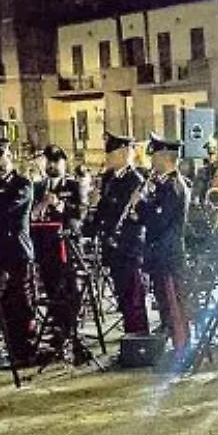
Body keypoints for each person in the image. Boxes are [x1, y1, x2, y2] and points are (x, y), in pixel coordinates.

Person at [0, 138, 38, 365]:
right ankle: (12, 347)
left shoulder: (22, 183)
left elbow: (5, 208)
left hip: (17, 250)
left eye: (2, 159)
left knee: (21, 302)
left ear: (10, 159)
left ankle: (25, 350)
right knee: (3, 302)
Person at [32, 144, 86, 353]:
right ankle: (56, 327)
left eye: (56, 161)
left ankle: (70, 330)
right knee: (51, 287)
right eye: (49, 161)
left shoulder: (72, 185)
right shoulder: (39, 187)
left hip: (67, 245)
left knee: (70, 289)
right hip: (46, 247)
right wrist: (43, 204)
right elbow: (33, 215)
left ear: (64, 163)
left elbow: (81, 212)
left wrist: (62, 207)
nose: (52, 165)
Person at [92, 133, 148, 333]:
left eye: (112, 153)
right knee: (121, 294)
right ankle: (129, 334)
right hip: (112, 244)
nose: (108, 157)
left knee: (133, 295)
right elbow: (103, 209)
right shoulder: (108, 178)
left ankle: (138, 337)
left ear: (125, 153)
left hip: (128, 245)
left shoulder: (135, 180)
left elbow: (130, 214)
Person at [143, 135, 191, 351]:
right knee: (164, 300)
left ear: (165, 157)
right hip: (160, 253)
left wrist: (140, 206)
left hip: (170, 254)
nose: (152, 160)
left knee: (175, 303)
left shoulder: (173, 186)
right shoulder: (161, 184)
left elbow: (160, 220)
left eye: (154, 155)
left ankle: (182, 347)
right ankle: (172, 339)